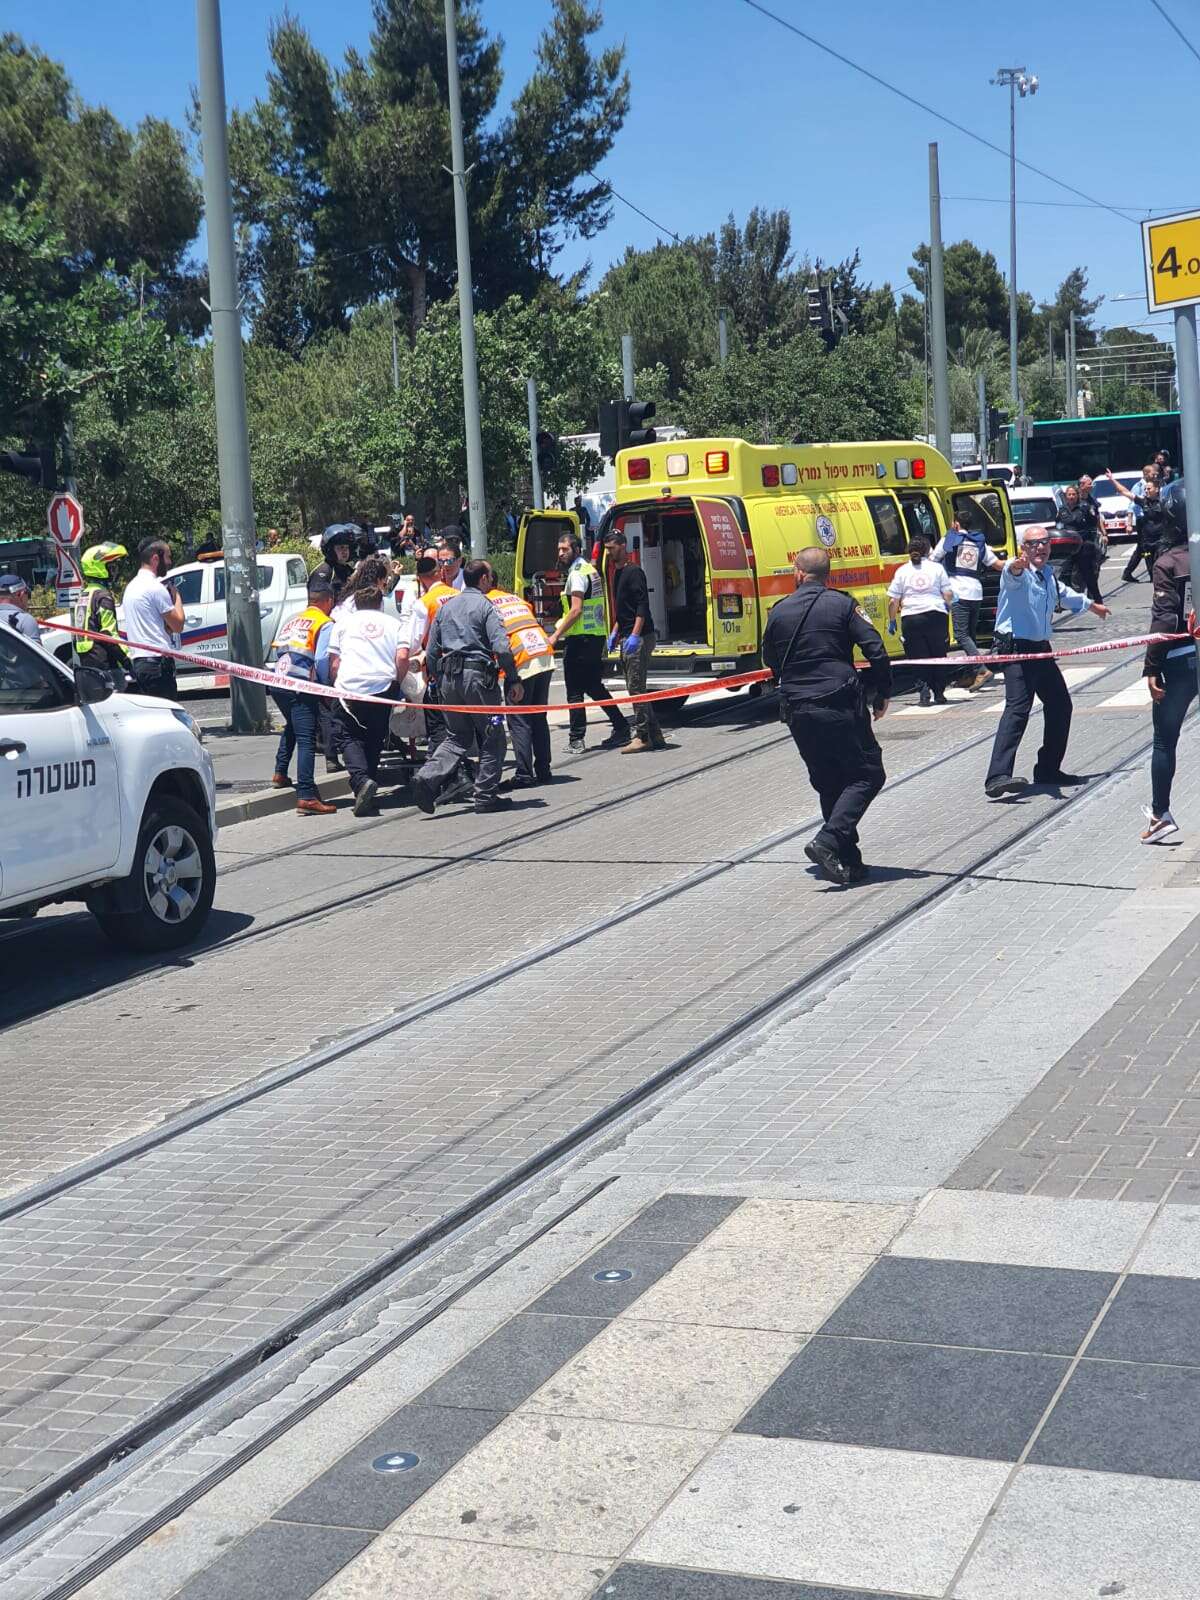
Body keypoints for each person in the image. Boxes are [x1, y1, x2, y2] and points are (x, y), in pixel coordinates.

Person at [762, 546, 891, 885]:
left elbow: (770, 660)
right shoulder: (843, 605)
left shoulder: (779, 611)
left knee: (829, 781)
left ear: (798, 572)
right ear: (827, 575)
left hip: (798, 710)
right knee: (868, 775)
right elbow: (876, 649)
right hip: (839, 704)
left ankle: (846, 861)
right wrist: (881, 691)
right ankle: (828, 841)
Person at [983, 526, 1111, 798]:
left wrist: (1092, 606)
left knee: (1061, 705)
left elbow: (1065, 594)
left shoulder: (1048, 575)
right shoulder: (1016, 573)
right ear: (1023, 548)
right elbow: (1011, 574)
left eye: (1044, 542)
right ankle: (997, 777)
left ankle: (1048, 769)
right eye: (1033, 544)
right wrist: (1016, 566)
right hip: (1017, 651)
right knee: (1018, 710)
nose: (1039, 547)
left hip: (1041, 650)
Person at [412, 559, 523, 816]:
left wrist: (437, 680)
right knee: (494, 734)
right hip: (479, 681)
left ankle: (426, 777)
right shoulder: (486, 606)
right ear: (483, 579)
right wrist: (513, 679)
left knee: (457, 736)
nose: (491, 580)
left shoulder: (446, 608)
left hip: (449, 681)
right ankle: (485, 796)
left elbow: (432, 651)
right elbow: (502, 648)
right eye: (490, 576)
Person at [1140, 504, 1197, 843]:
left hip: (1180, 659)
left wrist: (1151, 666)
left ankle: (1161, 814)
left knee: (1164, 739)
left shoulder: (1168, 563)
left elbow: (1165, 619)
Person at [328, 584, 409, 816]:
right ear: (380, 604)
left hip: (350, 688)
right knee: (374, 737)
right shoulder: (394, 624)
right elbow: (403, 656)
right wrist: (396, 682)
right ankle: (366, 788)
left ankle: (362, 781)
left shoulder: (342, 624)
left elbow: (334, 663)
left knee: (347, 735)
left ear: (355, 604)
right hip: (383, 687)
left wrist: (336, 683)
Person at [544, 532, 629, 753]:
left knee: (574, 691)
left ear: (576, 550)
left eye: (565, 549)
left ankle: (576, 739)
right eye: (559, 549)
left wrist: (555, 635)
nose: (560, 553)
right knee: (593, 686)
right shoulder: (590, 570)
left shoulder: (577, 575)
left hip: (580, 640)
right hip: (594, 637)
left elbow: (576, 610)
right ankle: (621, 726)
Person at [270, 576, 337, 816]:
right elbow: (321, 659)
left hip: (278, 682)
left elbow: (278, 651)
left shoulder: (293, 619)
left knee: (294, 725)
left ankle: (280, 772)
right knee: (307, 737)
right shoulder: (325, 623)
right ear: (329, 601)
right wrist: (325, 688)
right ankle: (307, 795)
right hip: (301, 686)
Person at [484, 561, 554, 787]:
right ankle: (543, 770)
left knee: (519, 719)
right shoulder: (514, 598)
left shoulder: (486, 604)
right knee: (538, 716)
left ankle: (524, 774)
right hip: (543, 654)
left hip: (521, 659)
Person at [604, 529, 664, 753]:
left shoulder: (634, 572)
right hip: (626, 633)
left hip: (639, 636)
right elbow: (623, 610)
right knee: (636, 687)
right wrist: (615, 632)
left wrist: (635, 635)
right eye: (607, 549)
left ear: (622, 546)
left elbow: (641, 605)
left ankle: (642, 736)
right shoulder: (617, 573)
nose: (609, 553)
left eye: (611, 548)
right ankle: (655, 735)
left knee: (636, 689)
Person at [932, 517, 1002, 687]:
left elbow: (933, 559)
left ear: (956, 524)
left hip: (958, 592)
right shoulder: (978, 541)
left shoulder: (950, 538)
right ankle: (971, 674)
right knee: (970, 635)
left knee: (961, 635)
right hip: (976, 592)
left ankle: (981, 669)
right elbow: (996, 564)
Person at [886, 535, 955, 706]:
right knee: (939, 655)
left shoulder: (902, 571)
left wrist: (892, 620)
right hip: (936, 615)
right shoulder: (937, 568)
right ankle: (939, 692)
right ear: (927, 550)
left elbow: (893, 601)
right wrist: (947, 608)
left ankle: (923, 693)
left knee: (917, 657)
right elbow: (948, 594)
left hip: (911, 618)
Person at [122, 538, 185, 698]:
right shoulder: (155, 588)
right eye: (168, 557)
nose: (169, 562)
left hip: (140, 662)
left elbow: (160, 627)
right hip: (158, 663)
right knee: (168, 710)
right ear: (156, 558)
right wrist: (177, 596)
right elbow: (178, 626)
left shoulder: (131, 587)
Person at [73, 542, 130, 686]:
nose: (115, 571)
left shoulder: (84, 595)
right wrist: (128, 660)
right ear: (99, 567)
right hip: (106, 665)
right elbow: (109, 635)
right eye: (111, 567)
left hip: (88, 664)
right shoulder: (103, 597)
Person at [1120, 479, 1170, 583]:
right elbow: (1125, 492)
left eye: (1149, 489)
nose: (1146, 491)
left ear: (1157, 489)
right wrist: (1112, 480)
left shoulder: (1164, 501)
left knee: (1160, 567)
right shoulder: (1143, 502)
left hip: (1161, 541)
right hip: (1147, 542)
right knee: (1151, 569)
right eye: (1145, 489)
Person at [313, 525, 356, 600]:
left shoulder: (348, 570)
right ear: (330, 550)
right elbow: (316, 600)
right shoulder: (324, 571)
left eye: (347, 547)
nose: (345, 551)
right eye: (340, 548)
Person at [0, 574, 44, 647]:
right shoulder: (25, 621)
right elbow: (35, 653)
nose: (28, 599)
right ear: (20, 594)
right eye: (28, 594)